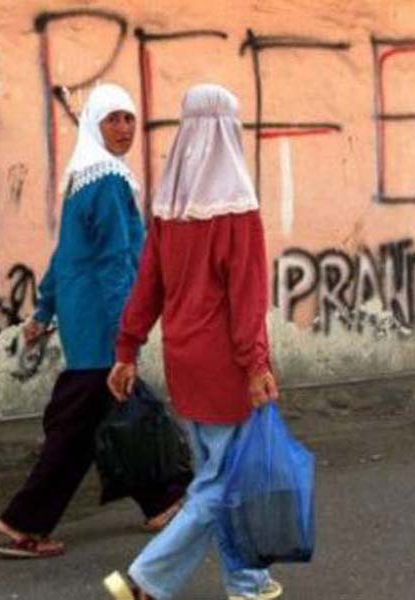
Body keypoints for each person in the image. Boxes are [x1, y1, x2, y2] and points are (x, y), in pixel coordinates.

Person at [103, 84, 283, 600]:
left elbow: (147, 287)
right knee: (223, 485)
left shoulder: (169, 208)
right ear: (230, 130)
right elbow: (247, 301)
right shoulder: (239, 212)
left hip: (183, 357)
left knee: (218, 474)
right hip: (226, 363)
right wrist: (256, 364)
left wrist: (127, 349)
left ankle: (248, 580)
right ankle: (144, 581)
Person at [0, 83, 187, 559]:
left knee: (113, 411)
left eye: (129, 119)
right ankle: (24, 523)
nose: (123, 129)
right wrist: (129, 333)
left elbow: (66, 256)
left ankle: (162, 501)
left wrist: (45, 309)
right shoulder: (109, 181)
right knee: (87, 424)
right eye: (112, 120)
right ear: (94, 125)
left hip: (85, 320)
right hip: (104, 323)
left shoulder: (81, 177)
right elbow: (119, 262)